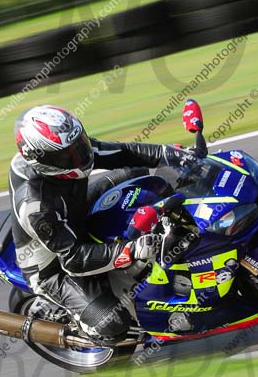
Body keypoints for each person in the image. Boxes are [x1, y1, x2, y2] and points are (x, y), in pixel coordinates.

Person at [9, 104, 167, 344]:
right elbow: (72, 260)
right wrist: (130, 250)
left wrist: (173, 154)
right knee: (112, 323)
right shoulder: (35, 207)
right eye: (69, 154)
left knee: (138, 172)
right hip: (55, 266)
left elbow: (122, 152)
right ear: (43, 160)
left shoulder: (65, 151)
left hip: (75, 212)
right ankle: (83, 330)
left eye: (79, 145)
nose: (81, 155)